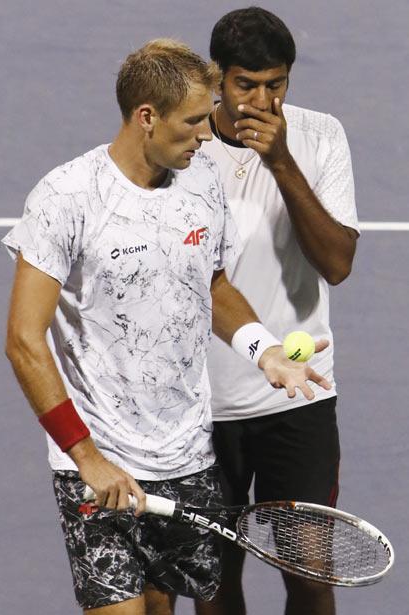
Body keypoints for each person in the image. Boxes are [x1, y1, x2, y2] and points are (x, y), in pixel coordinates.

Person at [3, 38, 330, 615]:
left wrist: (265, 352)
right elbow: (24, 341)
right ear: (146, 117)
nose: (209, 135)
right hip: (101, 461)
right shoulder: (66, 197)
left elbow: (213, 285)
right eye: (196, 120)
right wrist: (86, 457)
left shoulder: (202, 182)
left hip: (187, 455)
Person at [194, 7, 360, 615]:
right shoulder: (183, 147)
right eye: (246, 84)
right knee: (213, 586)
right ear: (217, 79)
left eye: (276, 84)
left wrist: (281, 160)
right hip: (201, 403)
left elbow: (337, 263)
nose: (261, 100)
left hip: (300, 392)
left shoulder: (320, 137)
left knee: (313, 576)